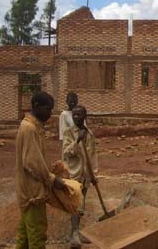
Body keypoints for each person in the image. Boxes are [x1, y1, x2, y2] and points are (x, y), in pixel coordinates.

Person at [16, 91, 68, 249]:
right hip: (33, 193)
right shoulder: (30, 128)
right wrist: (52, 180)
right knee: (37, 237)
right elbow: (32, 163)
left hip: (27, 191)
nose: (50, 113)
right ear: (36, 106)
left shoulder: (31, 126)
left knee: (24, 237)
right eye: (48, 109)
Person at [62, 105, 97, 248]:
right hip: (74, 174)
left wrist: (94, 174)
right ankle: (74, 234)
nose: (76, 117)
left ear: (85, 116)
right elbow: (66, 152)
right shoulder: (68, 133)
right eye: (74, 115)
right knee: (75, 205)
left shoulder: (90, 134)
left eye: (79, 115)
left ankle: (77, 231)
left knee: (81, 204)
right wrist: (77, 141)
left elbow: (93, 156)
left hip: (85, 175)